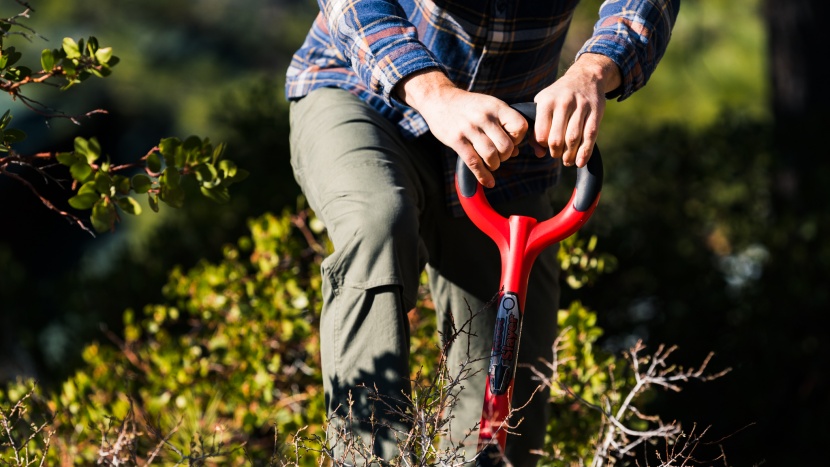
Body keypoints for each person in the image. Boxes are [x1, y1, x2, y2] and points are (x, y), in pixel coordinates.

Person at [285, 0, 680, 464]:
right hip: (367, 98)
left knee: (510, 408)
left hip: (506, 140)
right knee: (379, 220)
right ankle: (369, 455)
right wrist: (434, 93)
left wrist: (592, 71)